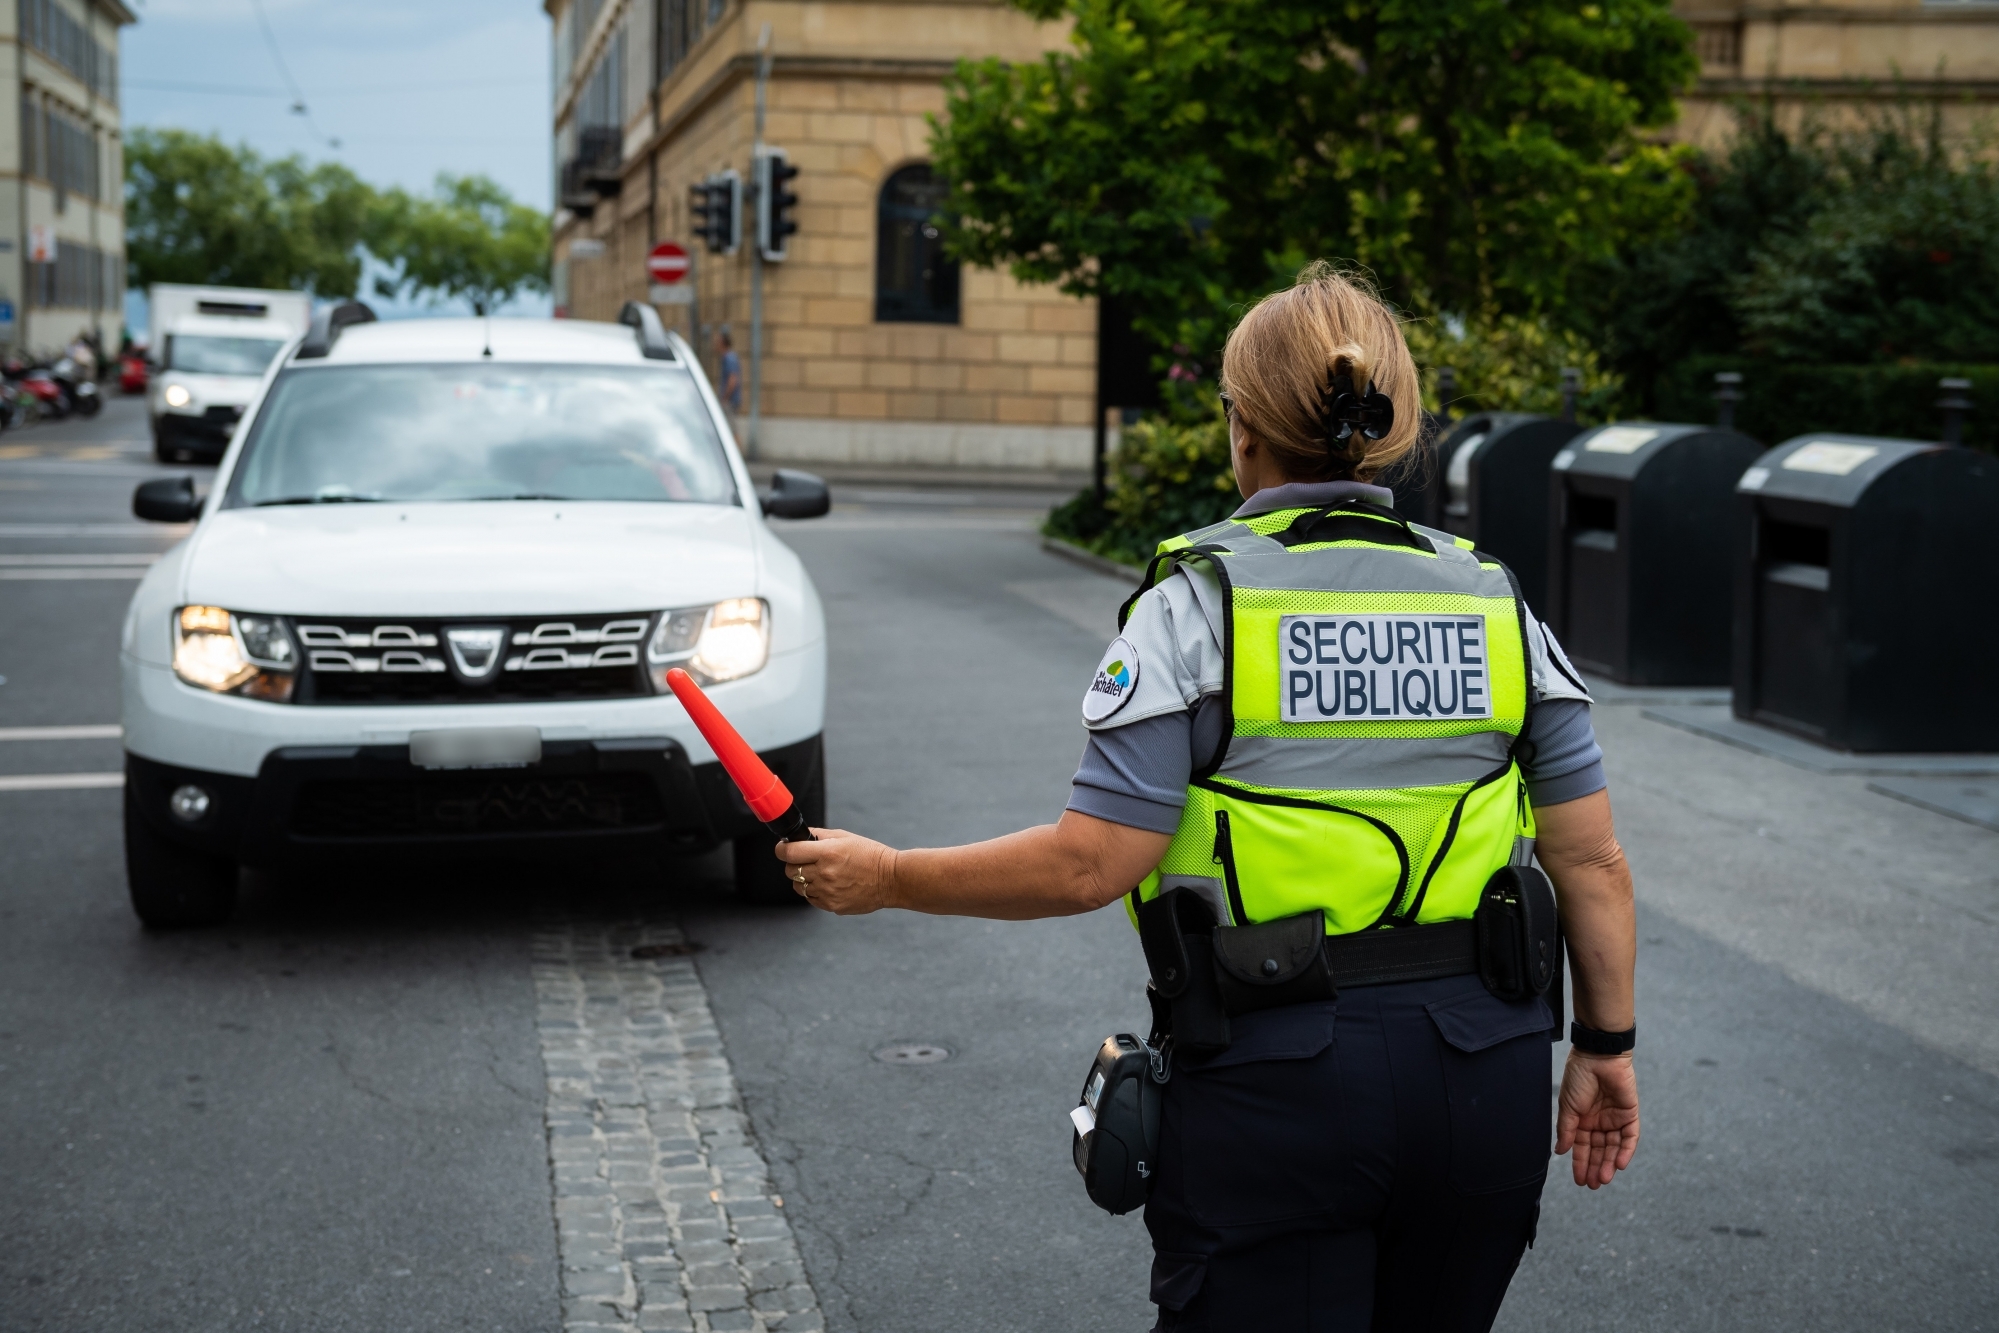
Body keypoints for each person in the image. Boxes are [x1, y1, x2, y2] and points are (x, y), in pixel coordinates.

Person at [776, 263, 1640, 1332]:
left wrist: (890, 876)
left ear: (1242, 427)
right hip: (1484, 1077)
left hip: (1276, 1079)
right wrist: (1605, 1046)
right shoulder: (1494, 604)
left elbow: (1091, 863)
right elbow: (1590, 862)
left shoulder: (1199, 609)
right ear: (1394, 429)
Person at [715, 329, 743, 437]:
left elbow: (732, 380)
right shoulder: (726, 358)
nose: (715, 345)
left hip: (729, 401)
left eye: (717, 342)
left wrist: (725, 398)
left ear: (722, 343)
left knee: (732, 431)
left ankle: (736, 453)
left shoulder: (729, 358)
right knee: (729, 430)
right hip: (729, 400)